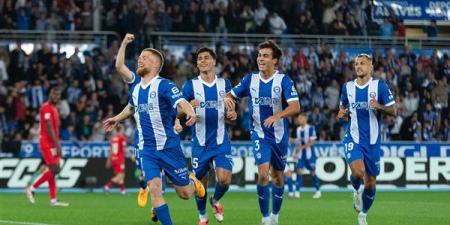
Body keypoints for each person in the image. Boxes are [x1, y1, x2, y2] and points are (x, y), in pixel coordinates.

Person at [106, 34, 205, 225]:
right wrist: (116, 119)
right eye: (139, 57)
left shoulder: (164, 85)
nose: (139, 59)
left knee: (184, 193)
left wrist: (190, 112)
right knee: (154, 187)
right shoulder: (136, 87)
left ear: (155, 65)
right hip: (147, 148)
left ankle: (193, 181)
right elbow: (131, 105)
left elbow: (181, 101)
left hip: (169, 146)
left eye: (144, 57)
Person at [224, 40, 300, 225]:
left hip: (280, 136)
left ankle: (275, 215)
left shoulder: (284, 81)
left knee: (278, 178)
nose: (260, 58)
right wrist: (230, 108)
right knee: (264, 174)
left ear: (275, 61)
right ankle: (265, 218)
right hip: (259, 134)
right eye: (259, 55)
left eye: (265, 55)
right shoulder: (250, 79)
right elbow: (229, 95)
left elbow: (296, 106)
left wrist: (278, 116)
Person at [337, 53, 396, 225]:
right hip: (353, 138)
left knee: (370, 183)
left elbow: (393, 111)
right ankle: (356, 191)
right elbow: (342, 111)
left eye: (362, 63)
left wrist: (378, 106)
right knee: (358, 172)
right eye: (356, 64)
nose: (358, 66)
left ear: (371, 67)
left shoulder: (380, 86)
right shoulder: (347, 87)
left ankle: (363, 215)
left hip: (372, 142)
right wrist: (341, 114)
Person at [182, 47, 237, 225]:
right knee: (200, 185)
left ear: (214, 61)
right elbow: (178, 110)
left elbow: (231, 107)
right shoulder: (190, 86)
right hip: (200, 143)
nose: (203, 61)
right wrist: (187, 107)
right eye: (199, 59)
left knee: (224, 179)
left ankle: (215, 200)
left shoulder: (225, 84)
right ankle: (203, 216)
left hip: (220, 141)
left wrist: (232, 113)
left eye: (206, 58)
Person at [25, 87, 69, 207]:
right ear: (50, 95)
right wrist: (57, 145)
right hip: (47, 143)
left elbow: (54, 128)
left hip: (52, 143)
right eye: (54, 94)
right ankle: (32, 188)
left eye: (58, 95)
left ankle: (53, 200)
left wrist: (56, 144)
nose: (56, 97)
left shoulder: (54, 109)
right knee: (55, 170)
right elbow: (49, 127)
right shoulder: (46, 108)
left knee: (53, 171)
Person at [291, 113, 321, 199]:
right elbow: (299, 141)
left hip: (310, 154)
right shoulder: (298, 129)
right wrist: (292, 141)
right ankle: (297, 192)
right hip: (301, 155)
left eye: (300, 118)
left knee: (313, 172)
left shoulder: (311, 128)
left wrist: (301, 147)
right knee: (299, 171)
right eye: (298, 118)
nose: (298, 120)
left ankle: (318, 191)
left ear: (305, 119)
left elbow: (312, 142)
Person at [103, 124, 133, 195]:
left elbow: (110, 150)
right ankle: (107, 187)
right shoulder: (121, 138)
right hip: (119, 159)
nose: (124, 130)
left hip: (114, 158)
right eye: (123, 129)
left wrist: (109, 159)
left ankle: (122, 190)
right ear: (121, 130)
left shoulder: (113, 138)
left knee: (121, 174)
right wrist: (131, 156)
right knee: (120, 175)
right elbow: (124, 148)